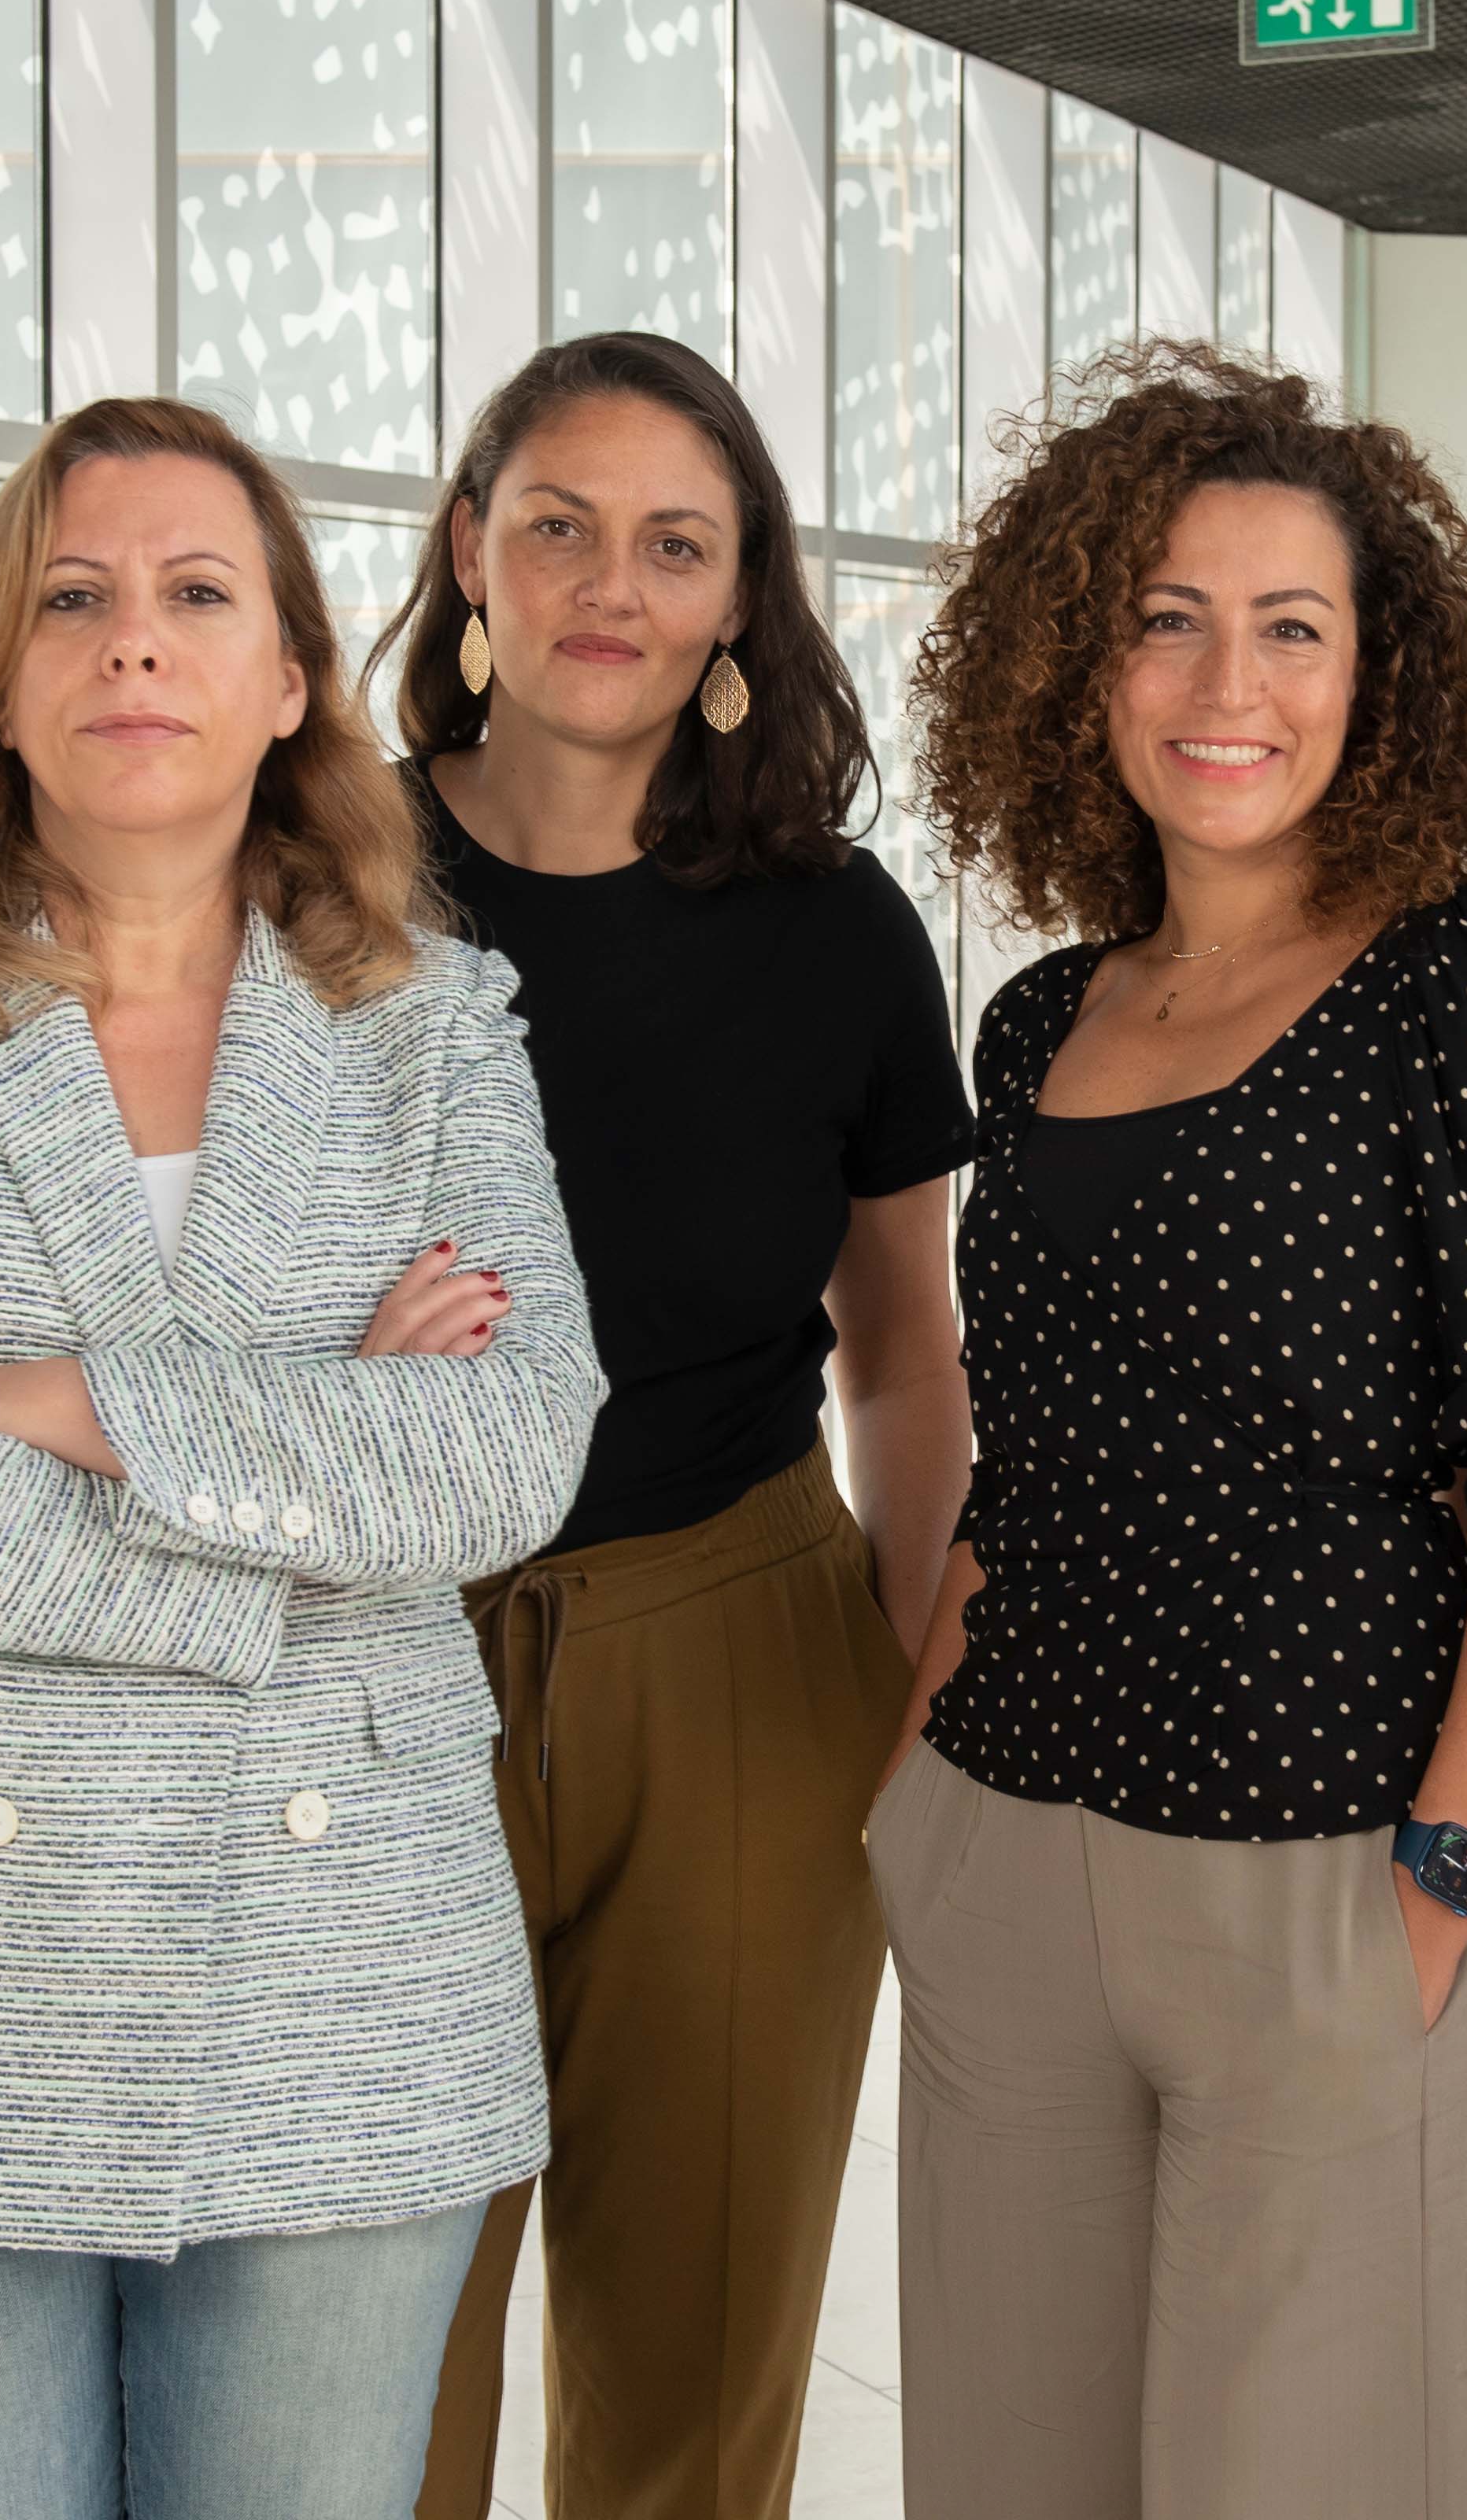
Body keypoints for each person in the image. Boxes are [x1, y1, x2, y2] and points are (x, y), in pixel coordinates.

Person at [0, 394, 604, 2520]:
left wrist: (60, 1398)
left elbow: (508, 1460)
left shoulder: (435, 1022)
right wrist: (317, 1452)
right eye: (72, 600)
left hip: (339, 1955)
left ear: (292, 678)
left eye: (199, 597)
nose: (133, 647)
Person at [877, 341, 1467, 2520]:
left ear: (1379, 674)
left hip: (1331, 1861)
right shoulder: (1045, 1013)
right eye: (1166, 618)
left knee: (1325, 2475)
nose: (1223, 682)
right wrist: (920, 1787)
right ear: (1081, 665)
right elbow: (1026, 1440)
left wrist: (1450, 1860)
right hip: (1009, 1846)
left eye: (1292, 625)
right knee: (1006, 2473)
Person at [386, 333, 973, 2520]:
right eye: (555, 526)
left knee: (697, 2380)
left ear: (744, 600)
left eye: (671, 544)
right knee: (359, 2374)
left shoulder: (832, 930)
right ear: (467, 555)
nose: (605, 586)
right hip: (363, 1656)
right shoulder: (304, 886)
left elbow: (902, 1343)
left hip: (740, 1652)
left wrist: (920, 1693)